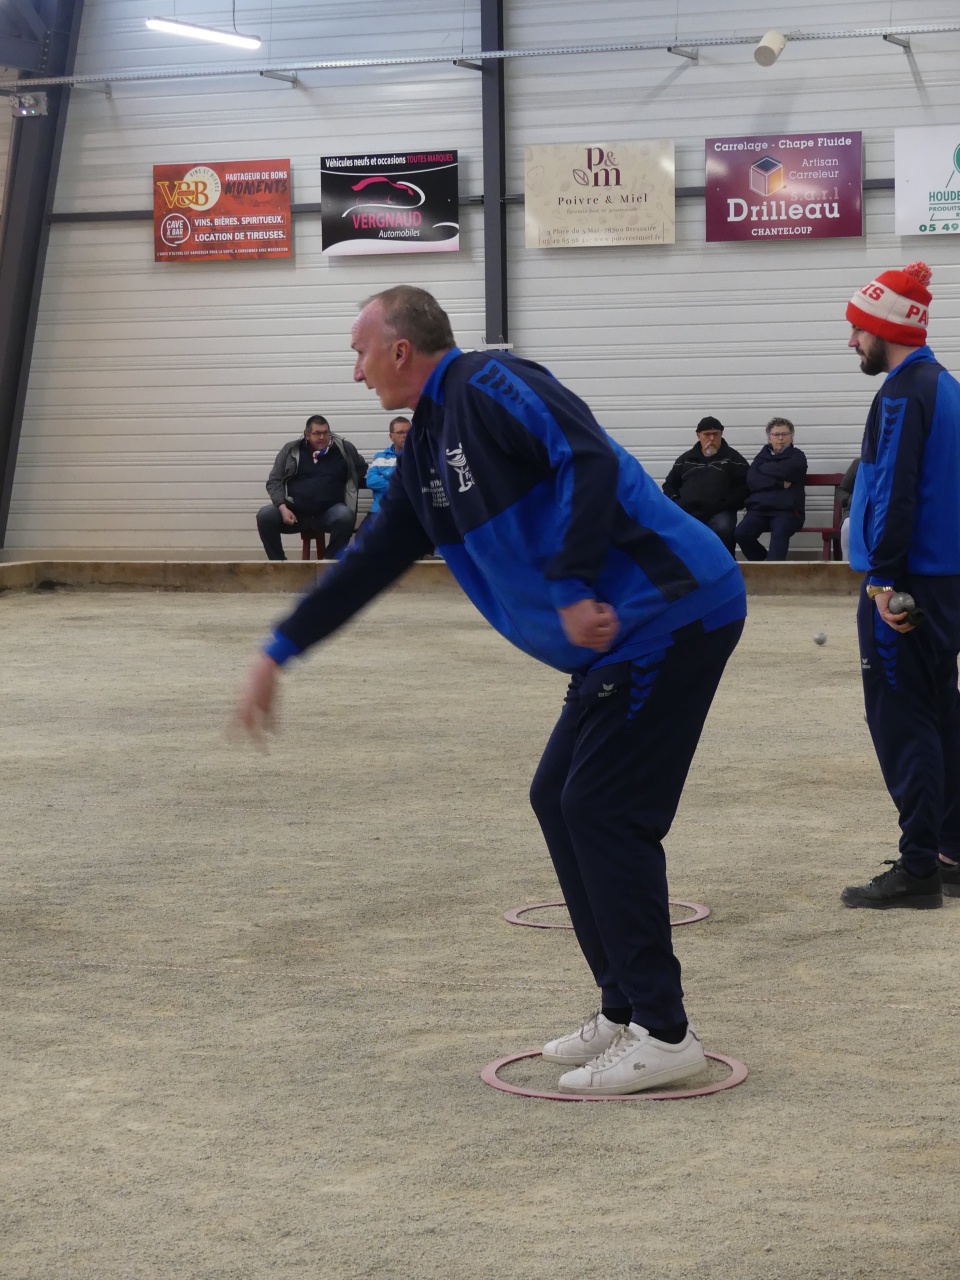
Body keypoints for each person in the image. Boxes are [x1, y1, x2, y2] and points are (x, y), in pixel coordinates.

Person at [235, 285, 746, 1096]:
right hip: (623, 639)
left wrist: (572, 581)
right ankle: (623, 1007)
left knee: (602, 809)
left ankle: (665, 1031)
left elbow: (585, 454)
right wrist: (280, 649)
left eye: (360, 353)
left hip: (672, 610)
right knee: (558, 798)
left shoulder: (489, 384)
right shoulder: (424, 449)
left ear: (400, 349)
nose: (356, 371)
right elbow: (370, 561)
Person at [840, 261, 960, 909]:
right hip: (945, 584)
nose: (852, 341)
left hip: (905, 587)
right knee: (941, 713)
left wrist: (882, 580)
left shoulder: (901, 393)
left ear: (886, 330)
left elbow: (893, 489)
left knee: (903, 720)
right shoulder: (947, 387)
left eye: (858, 329)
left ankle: (917, 870)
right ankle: (951, 852)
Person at [256, 415, 367, 561]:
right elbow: (274, 481)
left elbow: (361, 467)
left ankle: (328, 564)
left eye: (326, 433)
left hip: (329, 513)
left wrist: (347, 482)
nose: (322, 437)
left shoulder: (345, 449)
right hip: (295, 514)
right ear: (307, 434)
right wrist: (283, 508)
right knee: (265, 516)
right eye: (317, 433)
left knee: (346, 516)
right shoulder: (291, 450)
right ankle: (279, 564)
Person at [661, 416, 749, 554]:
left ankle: (724, 565)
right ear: (698, 435)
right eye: (707, 434)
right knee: (675, 531)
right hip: (688, 511)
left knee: (723, 528)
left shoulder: (734, 459)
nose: (712, 438)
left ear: (721, 434)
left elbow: (744, 487)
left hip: (720, 512)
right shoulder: (685, 459)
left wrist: (726, 503)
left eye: (716, 434)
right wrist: (676, 503)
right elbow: (669, 484)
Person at [735, 418, 808, 561]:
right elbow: (752, 480)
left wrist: (763, 471)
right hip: (759, 510)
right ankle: (763, 564)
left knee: (780, 533)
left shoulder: (798, 456)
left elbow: (789, 471)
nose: (780, 438)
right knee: (741, 533)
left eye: (784, 434)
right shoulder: (761, 457)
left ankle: (774, 569)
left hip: (787, 511)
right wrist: (778, 483)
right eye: (776, 434)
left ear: (791, 437)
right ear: (769, 438)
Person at [365, 416, 411, 514]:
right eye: (400, 432)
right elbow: (371, 481)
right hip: (381, 512)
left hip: (409, 512)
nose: (405, 435)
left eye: (408, 432)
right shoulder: (380, 457)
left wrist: (386, 478)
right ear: (391, 436)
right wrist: (397, 487)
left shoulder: (420, 456)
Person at [837, 459, 859, 562]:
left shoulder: (895, 464)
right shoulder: (859, 463)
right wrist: (850, 499)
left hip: (884, 513)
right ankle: (847, 566)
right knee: (848, 526)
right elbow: (841, 491)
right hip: (855, 511)